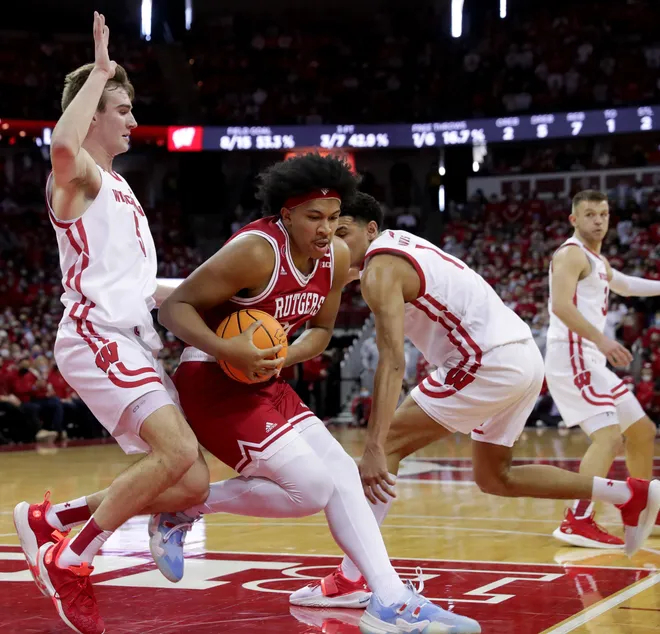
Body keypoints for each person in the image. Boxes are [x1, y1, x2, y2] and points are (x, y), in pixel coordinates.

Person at [154, 154, 481, 634]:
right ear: (286, 215)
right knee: (309, 490)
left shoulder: (337, 256)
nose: (326, 228)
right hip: (211, 379)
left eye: (333, 217)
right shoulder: (255, 250)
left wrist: (279, 356)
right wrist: (229, 349)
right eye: (314, 217)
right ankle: (181, 509)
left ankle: (389, 601)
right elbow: (175, 308)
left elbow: (322, 332)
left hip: (265, 380)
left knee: (342, 476)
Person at [290, 192, 660, 609]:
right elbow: (332, 279)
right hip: (522, 357)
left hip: (485, 360)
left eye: (342, 232)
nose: (335, 242)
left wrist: (375, 444)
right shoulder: (395, 247)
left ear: (370, 230)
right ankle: (628, 494)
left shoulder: (380, 269)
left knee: (387, 445)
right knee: (495, 477)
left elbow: (392, 360)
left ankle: (351, 578)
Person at [13, 14, 210, 634]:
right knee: (178, 451)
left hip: (133, 338)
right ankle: (70, 559)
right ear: (92, 113)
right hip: (96, 334)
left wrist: (219, 291)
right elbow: (62, 146)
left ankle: (50, 521)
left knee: (191, 482)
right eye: (121, 109)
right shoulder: (77, 176)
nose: (131, 119)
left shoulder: (121, 188)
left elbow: (143, 288)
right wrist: (99, 72)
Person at [545, 189, 660, 548]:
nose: (598, 221)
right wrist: (603, 340)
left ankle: (642, 508)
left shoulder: (598, 261)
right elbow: (560, 305)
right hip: (572, 354)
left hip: (589, 356)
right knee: (609, 437)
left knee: (642, 431)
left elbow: (627, 285)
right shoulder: (570, 254)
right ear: (574, 219)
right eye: (590, 214)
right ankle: (576, 520)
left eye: (604, 214)